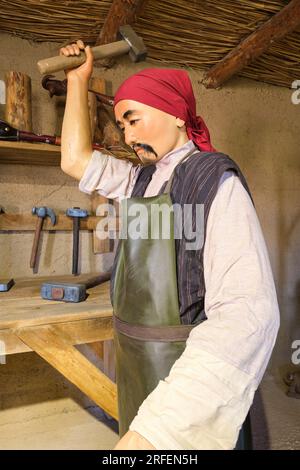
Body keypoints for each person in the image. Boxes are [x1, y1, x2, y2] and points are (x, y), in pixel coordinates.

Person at [60, 41, 280, 450]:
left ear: (177, 114)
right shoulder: (139, 182)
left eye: (133, 119)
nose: (127, 135)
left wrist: (160, 428)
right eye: (122, 126)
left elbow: (249, 314)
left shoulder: (214, 179)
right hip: (136, 364)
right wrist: (78, 81)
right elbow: (75, 160)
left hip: (187, 381)